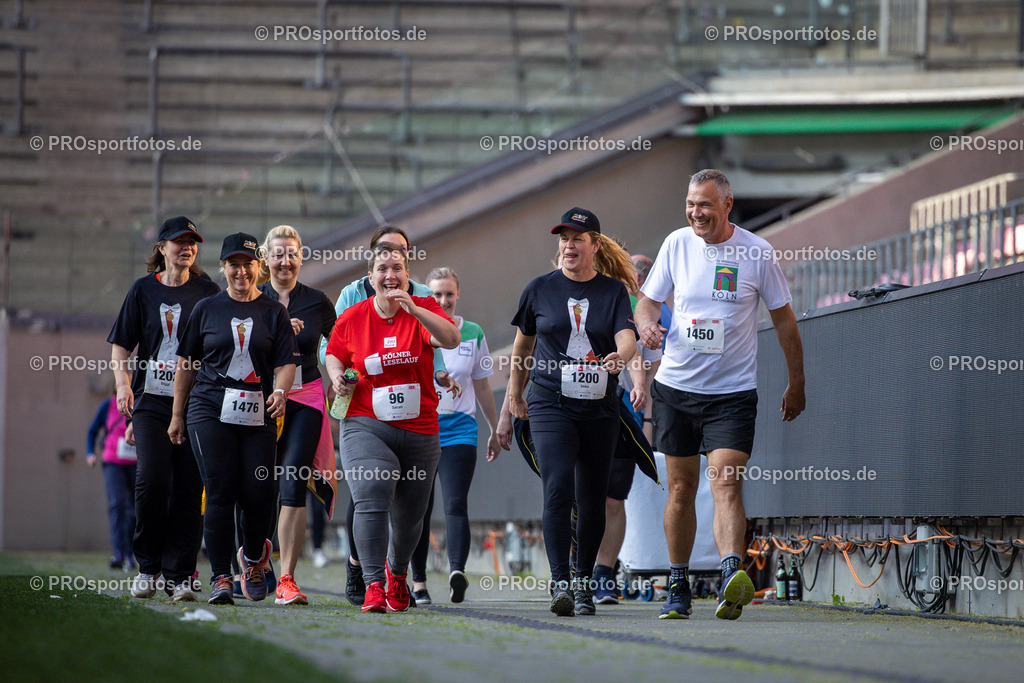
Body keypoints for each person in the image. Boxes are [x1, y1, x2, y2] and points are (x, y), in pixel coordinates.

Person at [634, 169, 806, 621]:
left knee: (726, 483)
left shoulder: (757, 253)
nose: (695, 213)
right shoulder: (676, 244)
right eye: (690, 204)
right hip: (675, 389)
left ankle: (732, 575)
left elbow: (785, 322)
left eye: (705, 205)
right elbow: (647, 301)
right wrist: (647, 324)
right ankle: (678, 583)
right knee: (681, 488)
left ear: (727, 205)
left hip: (731, 394)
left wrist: (797, 382)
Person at [318, 224, 460, 606]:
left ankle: (398, 574)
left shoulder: (424, 307)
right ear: (371, 277)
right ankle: (373, 584)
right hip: (366, 422)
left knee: (412, 514)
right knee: (372, 492)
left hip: (420, 428)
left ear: (407, 274)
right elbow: (334, 352)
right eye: (382, 269)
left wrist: (415, 308)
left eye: (397, 268)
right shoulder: (353, 314)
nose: (390, 276)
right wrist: (336, 376)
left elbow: (450, 339)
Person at [506, 207, 637, 616]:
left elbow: (628, 336)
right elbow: (522, 347)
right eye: (563, 239)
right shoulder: (539, 289)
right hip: (549, 401)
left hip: (599, 406)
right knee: (558, 487)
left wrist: (621, 356)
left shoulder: (612, 292)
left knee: (593, 496)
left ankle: (584, 582)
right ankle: (560, 580)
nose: (568, 245)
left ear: (595, 246)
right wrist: (515, 394)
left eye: (577, 239)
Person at [169, 232, 299, 605]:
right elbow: (186, 364)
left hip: (257, 409)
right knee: (221, 490)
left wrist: (280, 391)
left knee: (260, 493)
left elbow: (286, 362)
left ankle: (254, 558)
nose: (241, 271)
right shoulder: (207, 309)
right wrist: (177, 415)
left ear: (259, 267)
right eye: (234, 264)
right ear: (223, 267)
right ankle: (221, 576)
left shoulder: (274, 312)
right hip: (209, 407)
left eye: (248, 264)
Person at [108, 216, 220, 602]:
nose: (186, 248)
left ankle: (180, 576)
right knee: (153, 482)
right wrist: (123, 384)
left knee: (190, 488)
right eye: (178, 242)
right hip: (151, 402)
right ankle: (148, 567)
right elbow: (121, 345)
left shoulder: (208, 292)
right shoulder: (142, 291)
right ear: (161, 248)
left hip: (196, 402)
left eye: (192, 242)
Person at [408, 267, 501, 605]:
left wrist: (494, 427)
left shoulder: (472, 332)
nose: (443, 301)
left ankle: (456, 572)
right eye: (436, 295)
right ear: (426, 297)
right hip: (421, 429)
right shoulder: (416, 328)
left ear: (458, 294)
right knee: (418, 508)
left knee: (456, 503)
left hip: (460, 431)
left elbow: (482, 384)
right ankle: (418, 583)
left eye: (449, 294)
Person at [257, 225, 338, 605]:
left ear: (301, 257)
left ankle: (287, 576)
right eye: (278, 253)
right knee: (258, 487)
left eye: (292, 253)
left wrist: (342, 377)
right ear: (266, 258)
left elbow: (340, 346)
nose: (285, 261)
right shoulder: (253, 299)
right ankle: (254, 562)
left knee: (292, 483)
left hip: (306, 399)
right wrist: (275, 328)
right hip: (258, 402)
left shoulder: (318, 302)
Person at [591, 253, 663, 605]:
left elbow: (646, 368)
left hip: (622, 412)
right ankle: (574, 571)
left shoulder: (639, 309)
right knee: (575, 494)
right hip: (576, 409)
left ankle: (604, 575)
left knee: (613, 497)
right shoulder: (576, 300)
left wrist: (646, 420)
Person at [85, 390, 137, 572]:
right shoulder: (107, 405)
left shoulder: (139, 403)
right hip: (113, 463)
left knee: (134, 510)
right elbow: (92, 431)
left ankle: (130, 554)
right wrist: (90, 453)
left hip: (137, 464)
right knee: (116, 505)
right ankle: (118, 553)